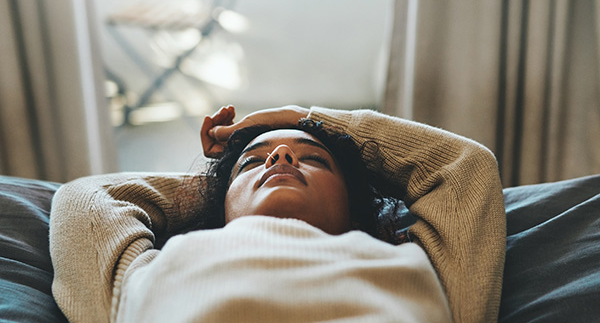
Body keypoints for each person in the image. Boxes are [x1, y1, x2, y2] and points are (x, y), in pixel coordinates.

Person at [49, 105, 506, 323]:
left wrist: (301, 117)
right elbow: (85, 199)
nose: (282, 155)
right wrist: (214, 185)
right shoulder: (158, 266)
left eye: (314, 158)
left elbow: (466, 167)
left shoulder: (414, 263)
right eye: (255, 161)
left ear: (354, 203)